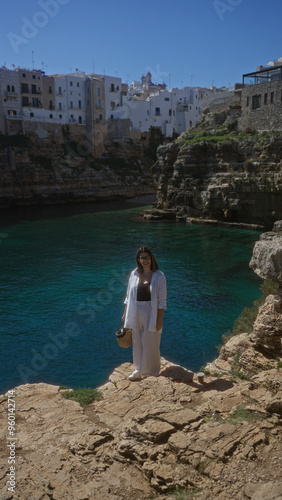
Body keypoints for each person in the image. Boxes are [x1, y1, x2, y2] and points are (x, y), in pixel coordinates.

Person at [122, 246, 167, 381]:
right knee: (137, 341)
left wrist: (160, 320)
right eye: (142, 258)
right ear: (138, 260)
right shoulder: (134, 274)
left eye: (147, 257)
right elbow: (128, 297)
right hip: (134, 311)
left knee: (150, 341)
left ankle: (151, 371)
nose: (145, 260)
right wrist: (125, 315)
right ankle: (138, 369)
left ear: (151, 258)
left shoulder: (159, 276)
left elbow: (162, 302)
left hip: (150, 311)